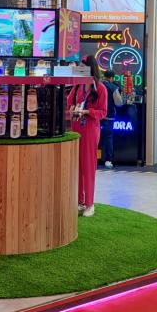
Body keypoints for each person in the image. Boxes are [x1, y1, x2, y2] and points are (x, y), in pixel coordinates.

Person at [67, 56, 107, 218]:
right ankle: (80, 201)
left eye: (82, 66)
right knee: (77, 167)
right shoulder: (77, 85)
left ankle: (90, 204)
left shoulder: (100, 88)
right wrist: (72, 109)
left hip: (90, 130)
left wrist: (87, 111)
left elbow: (103, 112)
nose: (79, 69)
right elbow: (69, 102)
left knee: (88, 167)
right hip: (76, 128)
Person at [100, 70, 123, 169]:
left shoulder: (96, 85)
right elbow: (119, 103)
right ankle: (108, 160)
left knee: (96, 137)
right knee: (108, 138)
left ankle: (93, 158)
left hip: (96, 116)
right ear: (111, 78)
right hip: (108, 116)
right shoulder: (113, 88)